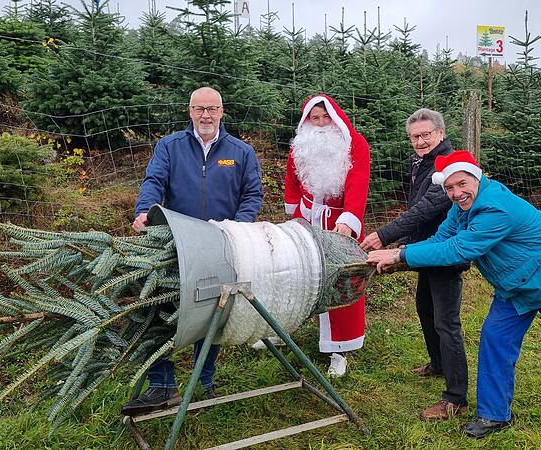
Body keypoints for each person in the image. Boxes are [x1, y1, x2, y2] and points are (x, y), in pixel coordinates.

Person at [366, 151, 541, 449]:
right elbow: (441, 240)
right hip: (515, 288)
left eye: (461, 184)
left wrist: (400, 254)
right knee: (495, 341)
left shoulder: (495, 208)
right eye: (449, 188)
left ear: (476, 177)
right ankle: (494, 415)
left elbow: (460, 249)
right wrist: (402, 255)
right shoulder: (461, 208)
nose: (456, 193)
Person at [121, 87, 264, 415]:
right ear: (190, 112)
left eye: (212, 109)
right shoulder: (170, 147)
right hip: (176, 245)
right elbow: (153, 182)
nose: (206, 115)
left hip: (221, 247)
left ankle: (204, 381)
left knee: (212, 312)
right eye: (199, 109)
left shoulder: (240, 152)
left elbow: (252, 194)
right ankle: (162, 385)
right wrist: (146, 211)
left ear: (222, 112)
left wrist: (237, 231)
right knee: (159, 310)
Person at [359, 108, 469, 420]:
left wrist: (384, 236)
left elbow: (425, 208)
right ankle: (437, 363)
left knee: (446, 322)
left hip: (444, 252)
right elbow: (416, 207)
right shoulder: (419, 161)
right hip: (425, 248)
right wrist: (406, 244)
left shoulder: (446, 164)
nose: (419, 141)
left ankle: (456, 396)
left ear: (441, 134)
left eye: (425, 135)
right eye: (414, 137)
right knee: (425, 308)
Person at [256, 94, 370, 378]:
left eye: (325, 117)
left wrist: (349, 219)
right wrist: (294, 216)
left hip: (338, 223)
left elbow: (358, 184)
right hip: (306, 220)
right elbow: (292, 183)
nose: (319, 124)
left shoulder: (355, 145)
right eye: (313, 118)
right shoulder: (300, 146)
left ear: (336, 117)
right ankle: (283, 329)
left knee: (340, 282)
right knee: (294, 275)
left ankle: (339, 348)